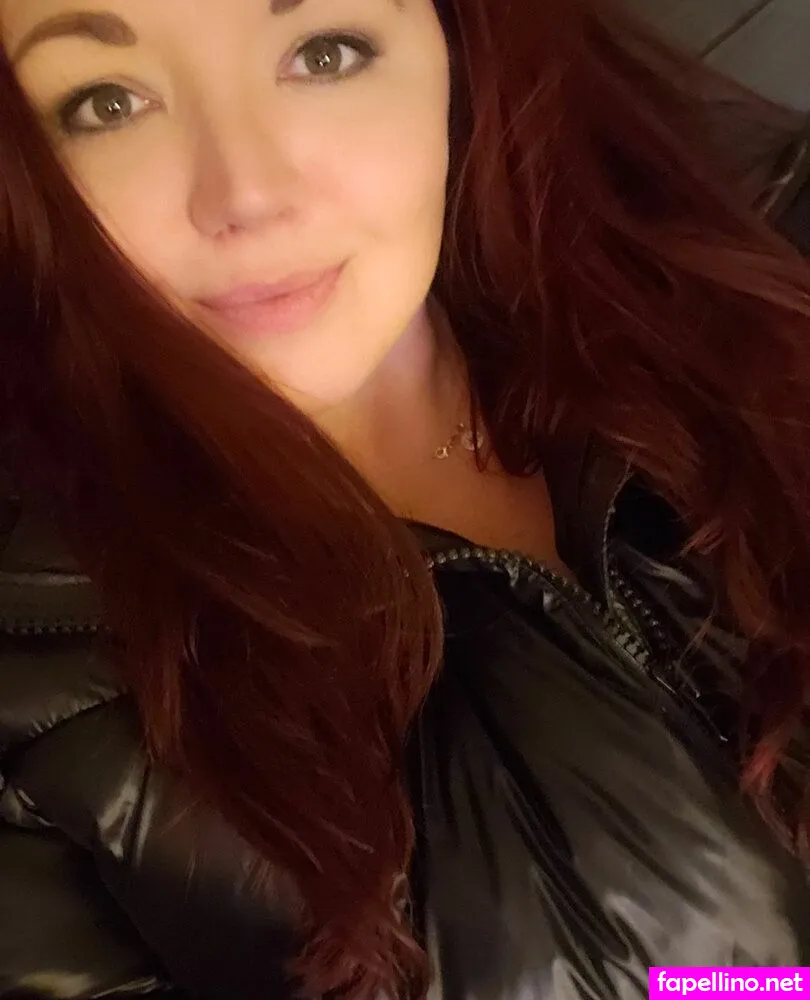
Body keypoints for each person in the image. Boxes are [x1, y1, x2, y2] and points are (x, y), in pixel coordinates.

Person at [0, 0, 809, 997]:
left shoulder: (758, 257)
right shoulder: (38, 692)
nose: (247, 194)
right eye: (107, 103)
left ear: (459, 50)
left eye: (323, 52)